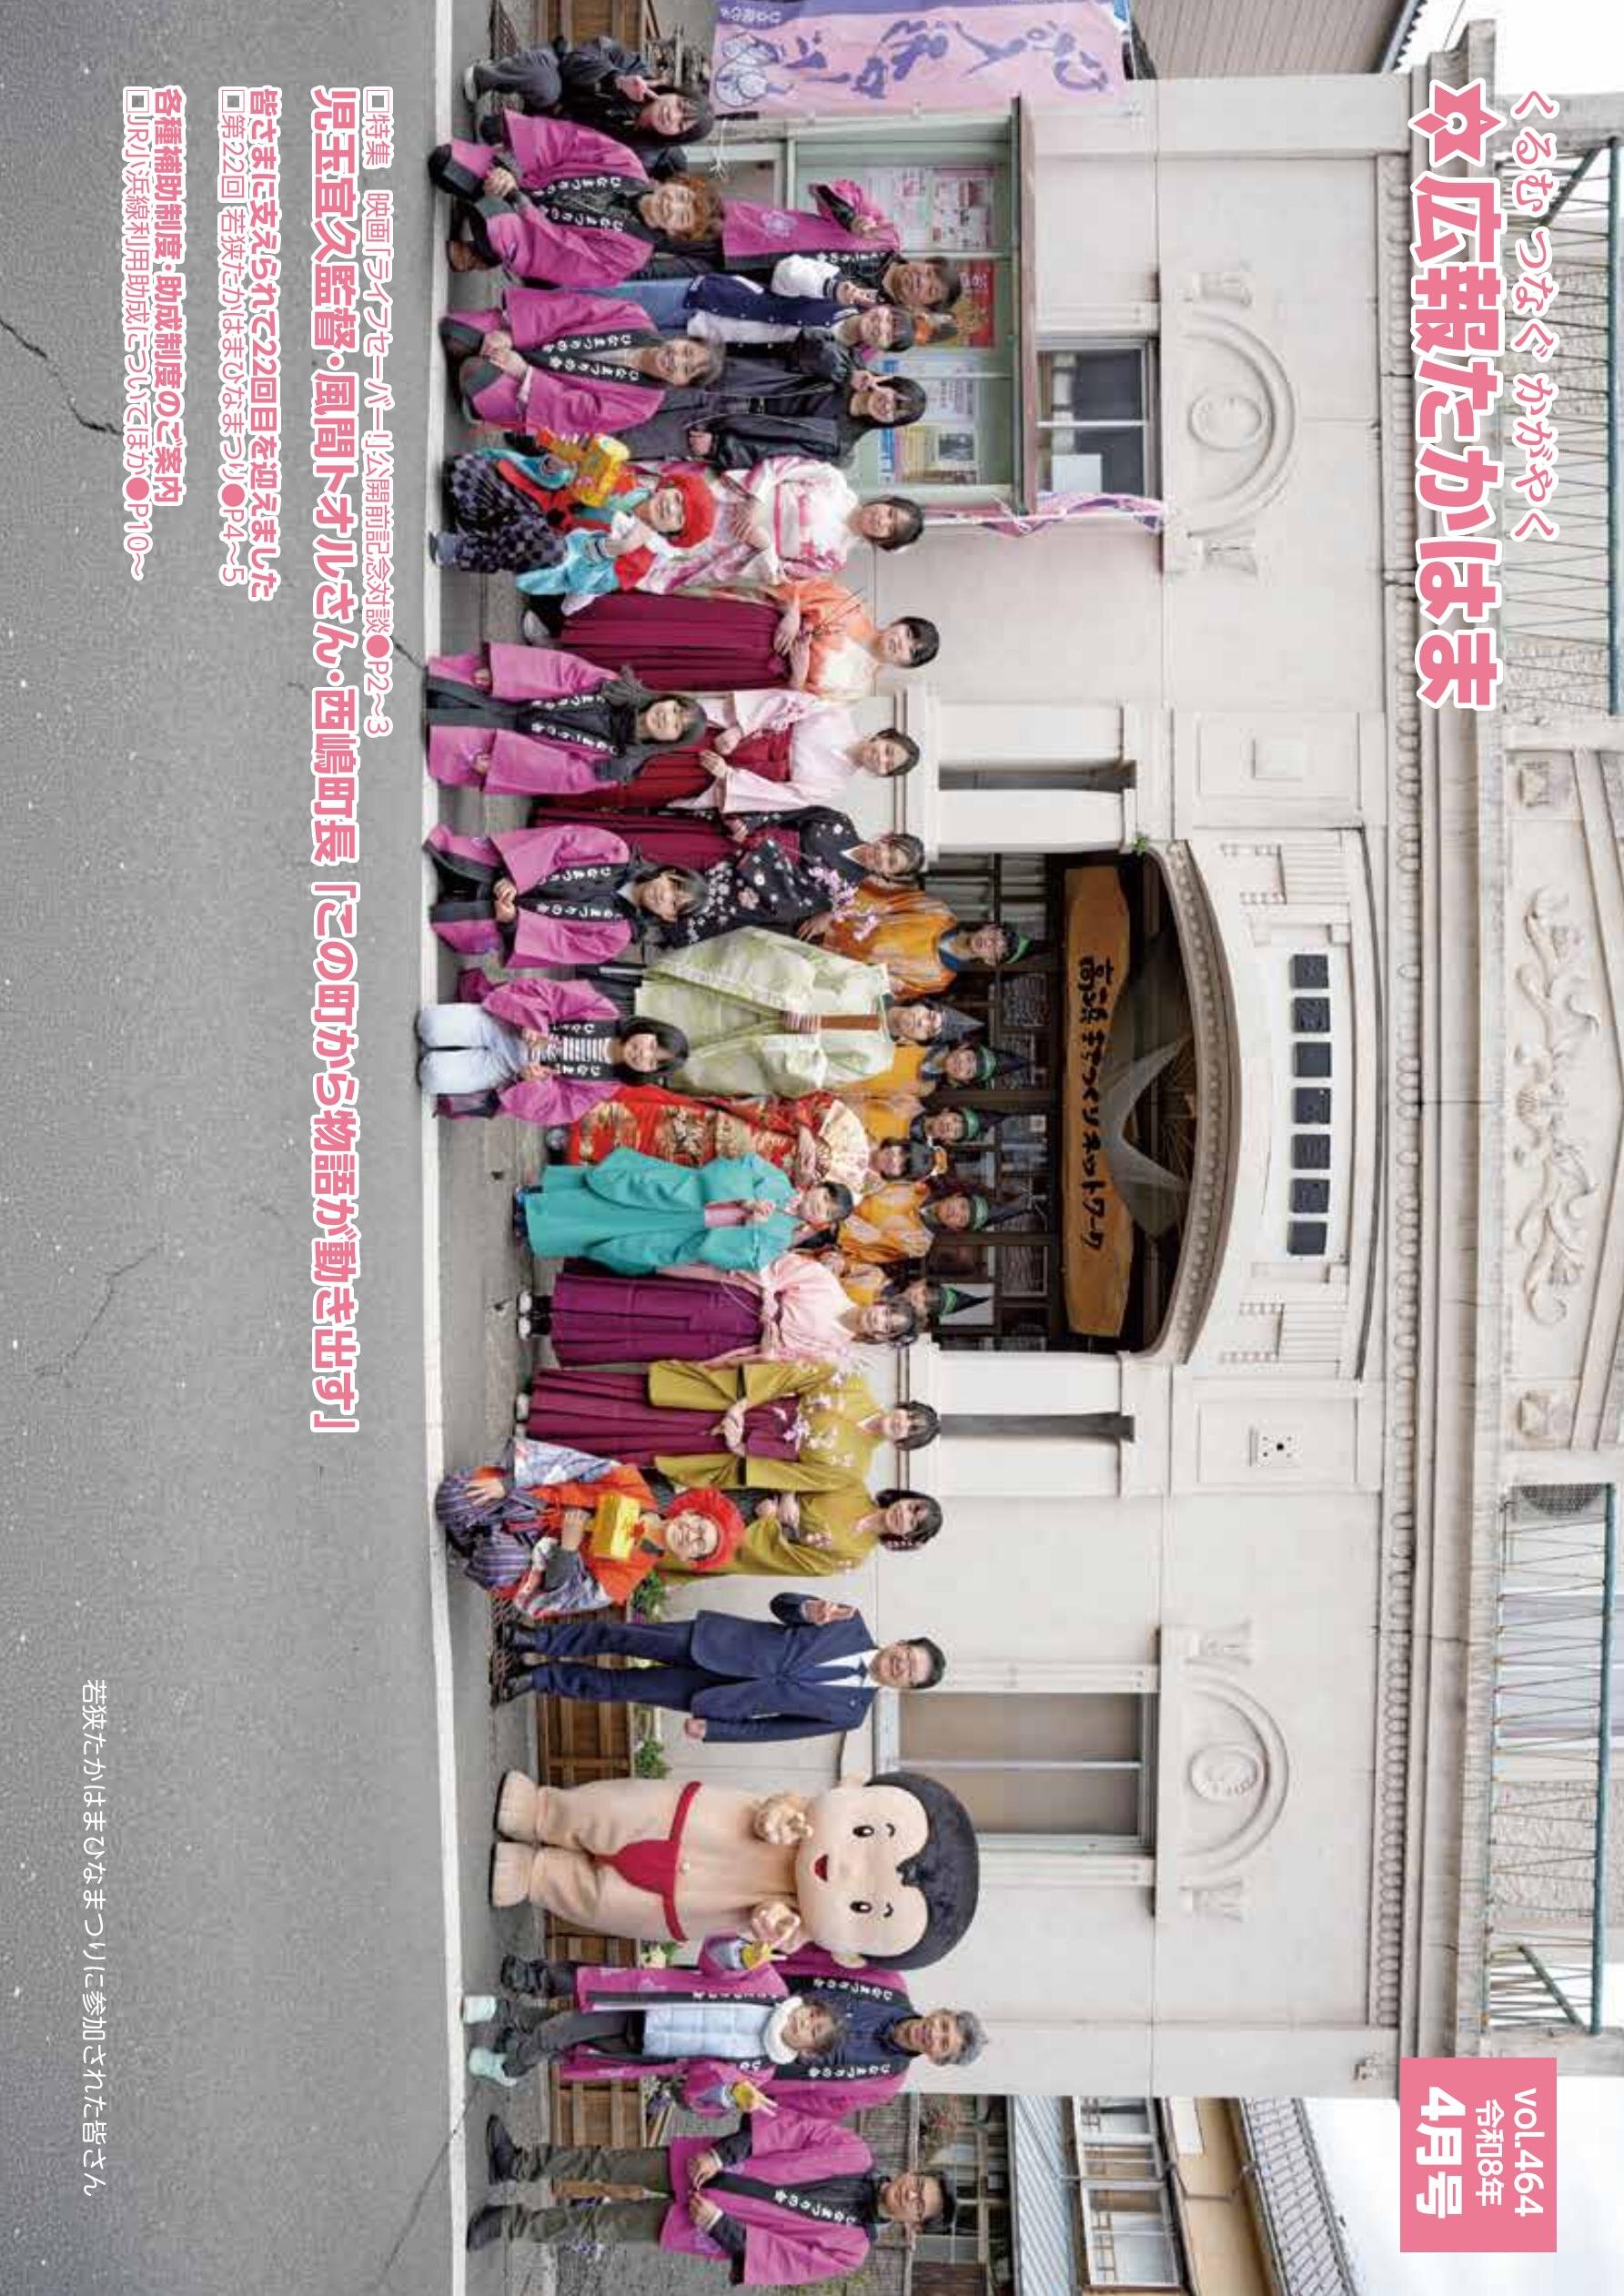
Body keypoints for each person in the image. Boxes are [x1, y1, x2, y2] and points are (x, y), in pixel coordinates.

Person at [486, 1763, 981, 1967]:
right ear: (853, 1787)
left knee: (603, 1899)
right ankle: (543, 1811)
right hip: (692, 1822)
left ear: (851, 1954)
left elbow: (773, 1938)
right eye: (863, 1835)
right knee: (611, 1811)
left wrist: (771, 1925)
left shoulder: (800, 1925)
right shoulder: (801, 1813)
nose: (846, 1871)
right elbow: (780, 1805)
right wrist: (776, 1814)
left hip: (689, 1905)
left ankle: (537, 1877)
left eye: (863, 1905)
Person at [499, 1940, 988, 2116]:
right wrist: (758, 1952)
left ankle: (523, 2031)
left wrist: (750, 2100)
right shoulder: (889, 1983)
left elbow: (816, 2105)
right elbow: (824, 1953)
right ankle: (537, 1979)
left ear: (939, 2060)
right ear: (940, 2012)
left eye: (944, 2045)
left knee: (622, 2039)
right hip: (744, 1989)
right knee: (627, 1989)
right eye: (944, 2026)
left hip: (739, 2060)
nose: (935, 2035)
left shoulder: (885, 2083)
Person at [467, 2107, 956, 2271]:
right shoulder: (854, 2151)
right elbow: (785, 2129)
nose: (910, 2195)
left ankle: (508, 2223)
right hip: (706, 2168)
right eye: (919, 2186)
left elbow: (781, 2261)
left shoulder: (851, 2249)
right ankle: (517, 2163)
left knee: (598, 2224)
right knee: (605, 2162)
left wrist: (720, 2225)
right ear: (912, 2173)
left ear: (913, 2225)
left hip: (706, 2223)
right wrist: (722, 2154)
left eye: (920, 2206)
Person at [491, 1592, 947, 1738]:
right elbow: (781, 1604)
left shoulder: (851, 1714)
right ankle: (538, 1639)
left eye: (909, 1674)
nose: (900, 1666)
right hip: (716, 1642)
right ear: (900, 1642)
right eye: (907, 1656)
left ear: (904, 1689)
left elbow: (775, 1730)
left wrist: (716, 1730)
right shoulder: (849, 1622)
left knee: (622, 1687)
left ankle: (540, 1678)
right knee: (621, 1636)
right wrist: (809, 1609)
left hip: (722, 1698)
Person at [620, 925, 953, 1098]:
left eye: (928, 1030)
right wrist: (792, 996)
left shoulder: (877, 1059)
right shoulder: (869, 982)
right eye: (927, 1015)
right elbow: (813, 960)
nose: (921, 1022)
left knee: (677, 1044)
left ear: (918, 1041)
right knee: (673, 996)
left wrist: (805, 1041)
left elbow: (822, 1077)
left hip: (767, 1046)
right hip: (759, 993)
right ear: (919, 1003)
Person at [438, 1441, 743, 1621]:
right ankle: (472, 1534)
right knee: (450, 1497)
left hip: (528, 1557)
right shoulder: (631, 1484)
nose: (691, 1534)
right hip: (528, 1502)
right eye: (699, 1526)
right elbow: (569, 1464)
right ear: (689, 1512)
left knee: (497, 1561)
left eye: (699, 1544)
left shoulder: (623, 1581)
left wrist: (568, 1548)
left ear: (689, 1559)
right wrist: (506, 1484)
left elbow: (560, 1593)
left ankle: (470, 1547)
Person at [521, 1358, 938, 1487]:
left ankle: (543, 1435)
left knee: (644, 1445)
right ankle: (546, 1402)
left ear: (902, 1444)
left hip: (737, 1446)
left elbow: (794, 1477)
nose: (902, 1424)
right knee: (642, 1401)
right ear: (902, 1406)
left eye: (909, 1432)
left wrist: (740, 1448)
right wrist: (743, 1403)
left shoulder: (853, 1470)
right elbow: (792, 1376)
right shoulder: (854, 1384)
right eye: (909, 1417)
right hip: (741, 1403)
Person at [522, 579, 939, 703]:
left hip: (754, 671)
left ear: (904, 664)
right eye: (908, 634)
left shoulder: (858, 688)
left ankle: (560, 660)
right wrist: (793, 613)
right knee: (660, 624)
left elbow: (802, 704)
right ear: (898, 623)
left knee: (664, 667)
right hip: (752, 625)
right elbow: (796, 587)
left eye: (911, 652)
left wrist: (797, 675)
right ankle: (565, 623)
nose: (902, 644)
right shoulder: (851, 605)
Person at [461, 1962, 846, 2089]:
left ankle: (502, 2012)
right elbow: (714, 1960)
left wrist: (728, 2096)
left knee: (568, 2040)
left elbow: (697, 2093)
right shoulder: (769, 1985)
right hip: (647, 2003)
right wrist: (742, 1953)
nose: (804, 2021)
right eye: (812, 2014)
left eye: (813, 2031)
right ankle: (510, 2067)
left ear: (807, 2052)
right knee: (565, 2028)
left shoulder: (760, 2072)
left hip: (649, 2051)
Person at [430, 118, 721, 282]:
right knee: (444, 162)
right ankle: (476, 201)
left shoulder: (630, 256)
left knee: (491, 213)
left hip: (528, 234)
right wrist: (513, 165)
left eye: (682, 216)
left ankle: (485, 253)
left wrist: (517, 200)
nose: (672, 206)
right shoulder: (626, 162)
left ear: (674, 232)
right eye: (681, 196)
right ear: (673, 184)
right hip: (521, 179)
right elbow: (564, 142)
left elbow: (563, 255)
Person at [527, 1252, 919, 1368]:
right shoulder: (827, 1284)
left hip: (734, 1340)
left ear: (879, 1337)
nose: (880, 1320)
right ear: (880, 1303)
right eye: (887, 1313)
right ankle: (549, 1305)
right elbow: (778, 1269)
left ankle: (550, 1329)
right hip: (736, 1299)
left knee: (645, 1339)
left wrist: (770, 1344)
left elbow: (783, 1361)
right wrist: (769, 1297)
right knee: (644, 1300)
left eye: (887, 1327)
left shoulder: (834, 1352)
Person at [424, 640, 705, 796]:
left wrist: (502, 763)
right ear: (667, 699)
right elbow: (559, 672)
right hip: (514, 698)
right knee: (443, 692)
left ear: (671, 742)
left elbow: (558, 774)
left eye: (676, 726)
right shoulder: (617, 689)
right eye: (675, 709)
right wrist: (504, 674)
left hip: (514, 742)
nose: (667, 718)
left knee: (435, 738)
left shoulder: (620, 764)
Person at [515, 1145, 853, 1273]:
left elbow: (736, 1259)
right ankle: (537, 1196)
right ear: (817, 1187)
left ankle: (535, 1225)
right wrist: (745, 1199)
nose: (819, 1205)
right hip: (684, 1194)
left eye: (826, 1211)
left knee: (610, 1228)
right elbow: (739, 1163)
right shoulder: (777, 1179)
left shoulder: (777, 1241)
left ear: (820, 1223)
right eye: (825, 1197)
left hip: (686, 1231)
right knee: (615, 1189)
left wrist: (748, 1226)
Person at [437, 286, 722, 436]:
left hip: (527, 393)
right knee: (454, 335)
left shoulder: (641, 406)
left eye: (686, 369)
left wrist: (523, 371)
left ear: (680, 384)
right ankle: (484, 359)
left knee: (473, 371)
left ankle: (487, 398)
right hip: (526, 338)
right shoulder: (632, 316)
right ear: (681, 338)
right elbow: (566, 311)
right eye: (686, 351)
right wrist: (511, 335)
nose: (676, 360)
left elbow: (574, 410)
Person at [416, 973, 687, 1127]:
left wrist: (534, 1080)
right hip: (503, 1024)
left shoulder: (605, 1086)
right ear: (647, 1029)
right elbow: (548, 992)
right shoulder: (603, 1011)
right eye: (652, 1045)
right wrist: (534, 1024)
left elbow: (558, 1107)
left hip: (507, 1070)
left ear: (648, 1073)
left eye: (653, 1062)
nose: (643, 1054)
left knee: (431, 1076)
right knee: (428, 1024)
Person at [425, 820, 706, 966]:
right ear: (667, 873)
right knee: (445, 856)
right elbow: (560, 842)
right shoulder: (615, 851)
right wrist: (517, 876)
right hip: (499, 871)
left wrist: (512, 921)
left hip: (498, 917)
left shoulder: (617, 937)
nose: (665, 896)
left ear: (669, 917)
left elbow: (561, 945)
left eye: (674, 904)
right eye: (673, 887)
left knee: (438, 919)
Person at [431, 445, 716, 586]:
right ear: (667, 487)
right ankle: (479, 523)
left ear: (673, 534)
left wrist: (618, 547)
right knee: (463, 469)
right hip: (533, 504)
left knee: (551, 548)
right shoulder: (625, 478)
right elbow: (557, 479)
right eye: (677, 498)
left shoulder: (638, 562)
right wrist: (555, 467)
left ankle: (465, 549)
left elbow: (579, 581)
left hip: (543, 542)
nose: (671, 508)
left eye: (680, 517)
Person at [616, 349, 928, 472]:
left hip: (717, 429)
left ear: (890, 423)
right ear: (888, 384)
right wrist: (846, 373)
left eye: (896, 412)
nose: (888, 405)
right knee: (623, 399)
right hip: (720, 383)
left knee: (624, 441)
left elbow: (775, 456)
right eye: (894, 397)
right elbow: (808, 343)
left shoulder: (839, 444)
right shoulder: (849, 367)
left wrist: (721, 447)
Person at [636, 459, 923, 592]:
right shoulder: (832, 481)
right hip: (733, 499)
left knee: (656, 544)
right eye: (890, 512)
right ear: (886, 501)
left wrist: (764, 545)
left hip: (732, 542)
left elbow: (780, 576)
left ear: (883, 541)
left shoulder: (834, 559)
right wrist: (756, 500)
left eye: (889, 528)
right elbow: (780, 467)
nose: (881, 519)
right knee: (656, 495)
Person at [463, 37, 714, 178]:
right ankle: (489, 74)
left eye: (681, 123)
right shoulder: (636, 71)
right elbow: (575, 60)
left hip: (552, 139)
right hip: (558, 93)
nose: (672, 115)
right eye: (680, 105)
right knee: (542, 79)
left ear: (679, 136)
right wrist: (616, 81)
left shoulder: (645, 158)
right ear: (673, 93)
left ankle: (508, 131)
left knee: (490, 132)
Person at [561, 1082, 871, 1194]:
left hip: (737, 1174)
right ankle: (583, 1119)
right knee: (659, 1121)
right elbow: (802, 1098)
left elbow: (800, 1207)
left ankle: (581, 1153)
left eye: (893, 1168)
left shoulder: (848, 1193)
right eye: (894, 1154)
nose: (891, 1162)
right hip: (739, 1129)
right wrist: (804, 1131)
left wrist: (800, 1183)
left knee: (655, 1162)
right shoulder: (847, 1128)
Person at [674, 699, 919, 820]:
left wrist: (727, 775)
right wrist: (740, 729)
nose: (881, 759)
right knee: (677, 731)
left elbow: (780, 796)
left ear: (881, 775)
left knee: (667, 777)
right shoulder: (838, 713)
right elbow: (783, 705)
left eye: (887, 766)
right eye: (888, 750)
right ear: (883, 737)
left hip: (737, 775)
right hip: (744, 736)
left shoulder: (834, 786)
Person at [661, 1485, 943, 1579]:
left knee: (668, 1544)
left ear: (907, 1537)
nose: (905, 1515)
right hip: (752, 1499)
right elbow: (803, 1472)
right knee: (668, 1505)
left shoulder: (855, 1557)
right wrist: (788, 1495)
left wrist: (770, 1522)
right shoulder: (854, 1486)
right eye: (912, 1507)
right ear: (906, 1497)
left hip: (749, 1538)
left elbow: (791, 1563)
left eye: (913, 1523)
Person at [816, 890, 1031, 1001]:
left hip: (828, 964)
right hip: (826, 923)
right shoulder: (937, 912)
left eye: (995, 950)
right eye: (994, 936)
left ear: (990, 961)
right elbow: (882, 898)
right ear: (990, 926)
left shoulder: (938, 980)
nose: (989, 943)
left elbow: (879, 987)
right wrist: (834, 915)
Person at [835, 1182, 994, 1269]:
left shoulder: (919, 1243)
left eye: (962, 1219)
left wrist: (839, 1214)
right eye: (962, 1206)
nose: (956, 1213)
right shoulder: (919, 1187)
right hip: (837, 1190)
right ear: (957, 1195)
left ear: (956, 1228)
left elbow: (870, 1241)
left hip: (835, 1230)